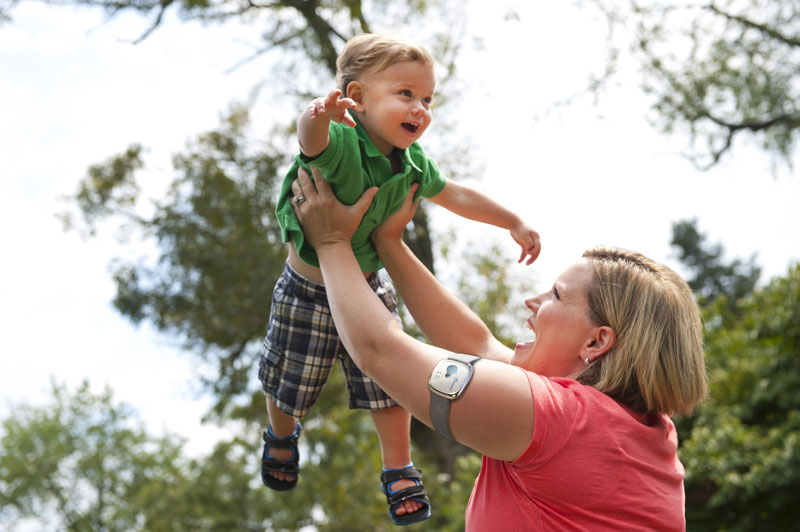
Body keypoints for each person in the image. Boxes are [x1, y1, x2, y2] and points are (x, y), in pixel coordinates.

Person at [289, 165, 708, 531]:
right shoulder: (635, 428)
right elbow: (477, 344)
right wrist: (389, 242)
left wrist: (331, 241)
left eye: (557, 296)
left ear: (597, 341)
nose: (534, 301)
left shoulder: (558, 421)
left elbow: (380, 350)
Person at [259, 32, 541, 525]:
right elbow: (310, 141)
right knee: (290, 379)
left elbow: (456, 194)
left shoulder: (412, 164)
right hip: (307, 289)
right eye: (406, 94)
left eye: (427, 98)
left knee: (391, 382)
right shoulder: (342, 139)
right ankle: (280, 436)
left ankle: (398, 466)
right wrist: (317, 113)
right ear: (359, 98)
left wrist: (511, 220)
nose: (421, 108)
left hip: (366, 284)